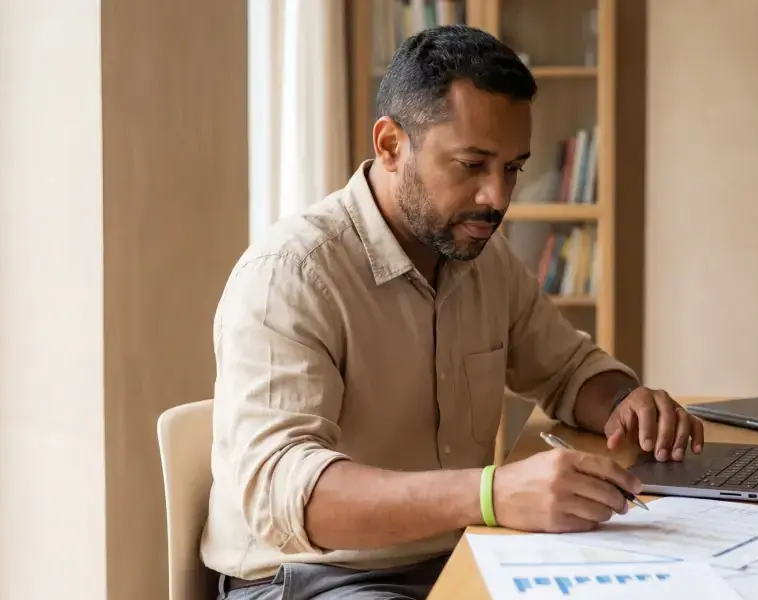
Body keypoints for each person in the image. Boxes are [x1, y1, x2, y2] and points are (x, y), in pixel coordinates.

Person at [200, 24, 705, 600]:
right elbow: (283, 495)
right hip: (312, 579)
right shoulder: (290, 273)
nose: (499, 197)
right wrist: (491, 495)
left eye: (513, 168)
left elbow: (568, 371)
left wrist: (625, 403)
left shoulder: (481, 260)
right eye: (472, 164)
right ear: (391, 145)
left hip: (460, 554)